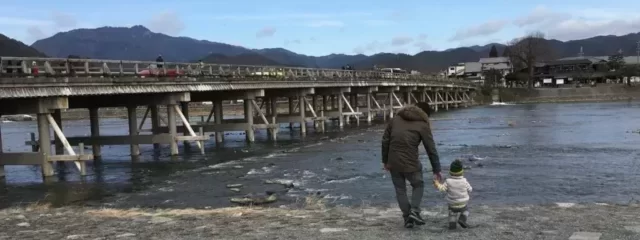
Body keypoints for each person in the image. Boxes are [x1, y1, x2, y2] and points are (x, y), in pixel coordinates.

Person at [381, 102, 442, 228]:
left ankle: (407, 218)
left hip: (393, 162)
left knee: (400, 190)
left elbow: (385, 141)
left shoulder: (395, 119)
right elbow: (431, 149)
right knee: (418, 185)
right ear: (425, 114)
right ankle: (414, 211)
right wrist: (437, 169)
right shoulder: (423, 125)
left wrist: (385, 161)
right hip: (411, 163)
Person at [433, 159, 473, 230]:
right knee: (466, 211)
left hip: (452, 204)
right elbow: (470, 189)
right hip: (463, 204)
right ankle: (462, 219)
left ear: (450, 172)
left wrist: (437, 184)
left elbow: (442, 189)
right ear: (461, 172)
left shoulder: (448, 181)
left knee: (452, 214)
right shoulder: (464, 181)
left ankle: (452, 226)